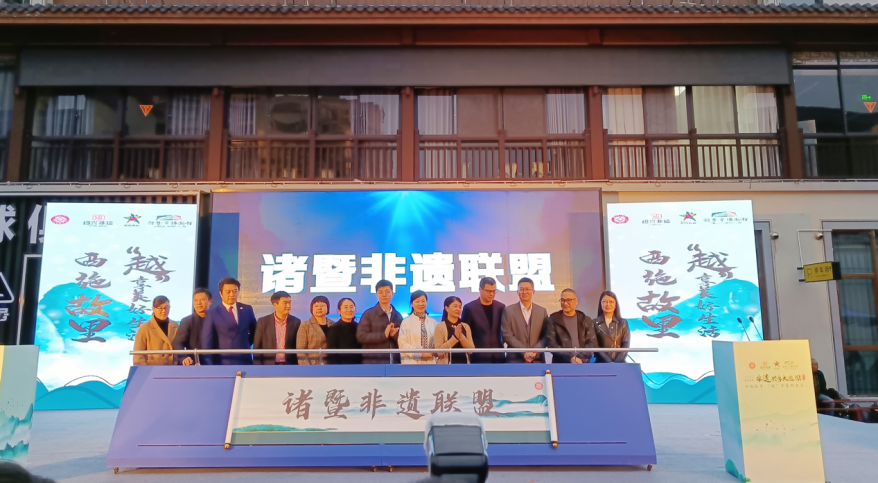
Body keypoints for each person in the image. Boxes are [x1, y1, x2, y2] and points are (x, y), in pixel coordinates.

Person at [201, 277, 258, 365]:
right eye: (228, 292)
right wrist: (209, 363)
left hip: (245, 359)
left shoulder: (247, 309)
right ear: (221, 293)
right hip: (223, 361)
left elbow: (255, 332)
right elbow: (206, 341)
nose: (232, 294)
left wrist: (245, 344)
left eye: (235, 291)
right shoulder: (212, 313)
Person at [500, 278, 551, 363]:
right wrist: (524, 351)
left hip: (537, 360)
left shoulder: (542, 311)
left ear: (533, 292)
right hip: (515, 360)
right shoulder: (508, 311)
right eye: (521, 289)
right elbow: (507, 335)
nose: (524, 292)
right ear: (517, 292)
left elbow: (546, 335)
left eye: (527, 289)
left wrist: (534, 352)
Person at [461, 277, 506, 363]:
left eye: (494, 291)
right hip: (478, 356)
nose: (491, 294)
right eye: (488, 291)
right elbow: (465, 333)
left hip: (498, 355)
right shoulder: (469, 308)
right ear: (480, 289)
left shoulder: (501, 307)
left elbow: (505, 329)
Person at [357, 279, 403, 364]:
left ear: (392, 294)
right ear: (377, 295)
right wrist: (384, 335)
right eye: (381, 292)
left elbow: (403, 339)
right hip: (373, 362)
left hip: (394, 362)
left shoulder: (397, 315)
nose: (384, 294)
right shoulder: (368, 314)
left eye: (387, 291)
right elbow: (361, 336)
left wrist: (394, 335)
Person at [548, 288, 598, 363]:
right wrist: (569, 358)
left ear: (576, 301)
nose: (565, 303)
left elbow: (592, 343)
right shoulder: (553, 319)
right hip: (561, 364)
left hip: (582, 363)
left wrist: (580, 358)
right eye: (562, 300)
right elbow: (551, 344)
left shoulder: (585, 320)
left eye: (569, 300)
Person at [253, 291, 301, 365]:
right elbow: (257, 346)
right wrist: (258, 367)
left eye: (289, 302)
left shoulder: (296, 322)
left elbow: (298, 346)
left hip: (289, 365)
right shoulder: (263, 321)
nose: (288, 306)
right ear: (275, 305)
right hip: (268, 364)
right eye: (285, 303)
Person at [134, 296, 179, 366]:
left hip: (173, 369)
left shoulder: (176, 326)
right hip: (152, 369)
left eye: (166, 307)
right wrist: (144, 371)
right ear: (153, 309)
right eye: (160, 308)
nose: (164, 311)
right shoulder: (145, 328)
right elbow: (138, 355)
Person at [172, 288, 212, 365]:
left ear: (210, 301)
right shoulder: (187, 321)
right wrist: (184, 357)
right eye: (196, 300)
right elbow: (177, 343)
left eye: (202, 300)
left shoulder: (217, 319)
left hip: (215, 364)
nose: (199, 303)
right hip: (193, 364)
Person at [398, 290, 438, 364]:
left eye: (423, 301)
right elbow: (402, 344)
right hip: (412, 363)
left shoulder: (433, 322)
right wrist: (420, 353)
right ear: (412, 304)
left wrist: (433, 351)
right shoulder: (406, 322)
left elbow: (437, 342)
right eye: (417, 301)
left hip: (430, 362)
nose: (421, 304)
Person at [435, 296, 475, 364]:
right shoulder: (440, 327)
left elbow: (471, 350)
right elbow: (439, 352)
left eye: (460, 307)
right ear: (446, 308)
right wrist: (455, 338)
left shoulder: (465, 326)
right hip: (445, 366)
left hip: (464, 365)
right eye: (455, 306)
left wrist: (461, 337)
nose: (458, 309)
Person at [593, 291, 630, 363]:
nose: (608, 304)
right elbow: (595, 345)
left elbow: (625, 344)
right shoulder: (593, 323)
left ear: (615, 305)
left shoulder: (623, 323)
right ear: (600, 304)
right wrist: (608, 362)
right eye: (605, 301)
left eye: (611, 302)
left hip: (620, 364)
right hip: (601, 363)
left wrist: (616, 362)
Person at [327, 298, 363, 365]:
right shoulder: (333, 329)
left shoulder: (359, 327)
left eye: (351, 307)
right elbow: (332, 353)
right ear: (339, 311)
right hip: (340, 366)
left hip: (359, 365)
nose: (349, 310)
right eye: (346, 307)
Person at [297, 295, 332, 365]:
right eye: (316, 306)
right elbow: (301, 350)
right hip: (312, 365)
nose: (319, 308)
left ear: (327, 308)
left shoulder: (333, 324)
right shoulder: (305, 325)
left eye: (322, 306)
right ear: (311, 308)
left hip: (331, 364)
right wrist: (307, 367)